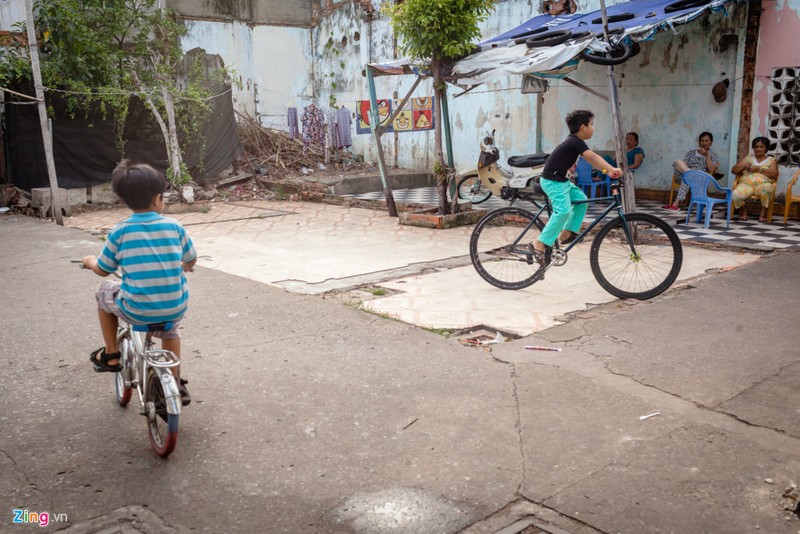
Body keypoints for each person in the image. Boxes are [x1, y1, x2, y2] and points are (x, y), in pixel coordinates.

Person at [81, 161, 197, 405]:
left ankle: (111, 353)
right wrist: (185, 267)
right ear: (158, 199)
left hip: (135, 309)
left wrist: (90, 261)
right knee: (170, 329)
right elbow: (190, 259)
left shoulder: (120, 231)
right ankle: (174, 379)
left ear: (125, 200)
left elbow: (104, 270)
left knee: (104, 293)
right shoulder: (174, 227)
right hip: (175, 307)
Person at [531, 110, 622, 264]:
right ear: (583, 127)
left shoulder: (575, 141)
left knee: (582, 200)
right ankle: (539, 243)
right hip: (553, 182)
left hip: (563, 182)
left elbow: (593, 161)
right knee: (563, 211)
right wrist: (612, 170)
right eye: (591, 124)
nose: (594, 128)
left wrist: (608, 172)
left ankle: (568, 232)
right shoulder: (574, 141)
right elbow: (592, 157)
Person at [662, 131, 720, 210]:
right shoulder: (691, 153)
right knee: (678, 162)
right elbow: (683, 165)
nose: (704, 143)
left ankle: (676, 202)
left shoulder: (712, 155)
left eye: (707, 141)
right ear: (699, 142)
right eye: (702, 141)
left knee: (688, 177)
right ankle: (690, 173)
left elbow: (712, 169)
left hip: (700, 179)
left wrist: (706, 156)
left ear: (711, 142)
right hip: (684, 175)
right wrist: (688, 170)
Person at [731, 136, 778, 222]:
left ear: (766, 148)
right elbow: (734, 170)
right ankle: (744, 208)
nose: (758, 149)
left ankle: (764, 211)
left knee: (767, 189)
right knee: (735, 194)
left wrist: (759, 169)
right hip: (746, 184)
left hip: (763, 185)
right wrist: (743, 165)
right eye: (756, 147)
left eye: (761, 147)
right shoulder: (748, 158)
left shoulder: (771, 160)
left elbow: (774, 174)